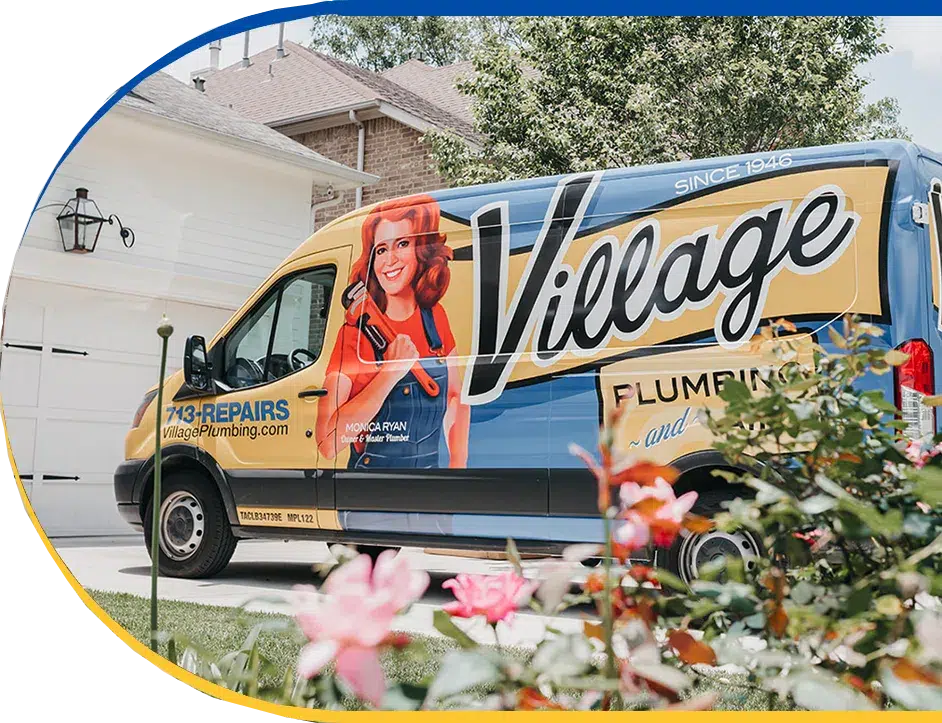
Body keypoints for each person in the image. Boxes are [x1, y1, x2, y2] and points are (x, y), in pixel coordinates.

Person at [316, 194, 470, 469]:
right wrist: (389, 374)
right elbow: (328, 443)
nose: (390, 260)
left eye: (402, 244)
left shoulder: (435, 319)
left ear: (422, 251)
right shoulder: (354, 332)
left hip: (430, 490)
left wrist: (457, 471)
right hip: (374, 493)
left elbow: (455, 398)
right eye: (381, 249)